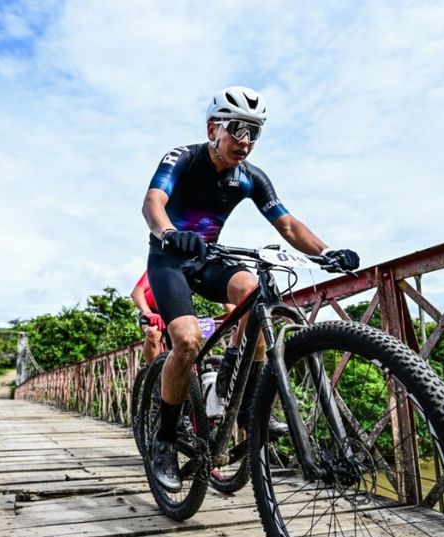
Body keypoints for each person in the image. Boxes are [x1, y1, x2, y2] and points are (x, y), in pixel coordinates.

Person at [141, 85, 360, 490]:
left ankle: (241, 398)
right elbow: (152, 202)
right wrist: (169, 232)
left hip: (208, 258)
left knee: (255, 291)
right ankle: (165, 440)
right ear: (213, 128)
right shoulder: (183, 159)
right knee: (187, 340)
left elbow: (289, 225)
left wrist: (327, 252)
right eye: (237, 129)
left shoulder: (250, 178)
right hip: (170, 257)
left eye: (255, 132)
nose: (245, 141)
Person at [131, 271, 165, 363]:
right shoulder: (158, 266)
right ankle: (153, 372)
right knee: (153, 332)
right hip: (152, 311)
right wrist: (148, 313)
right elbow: (136, 293)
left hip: (175, 312)